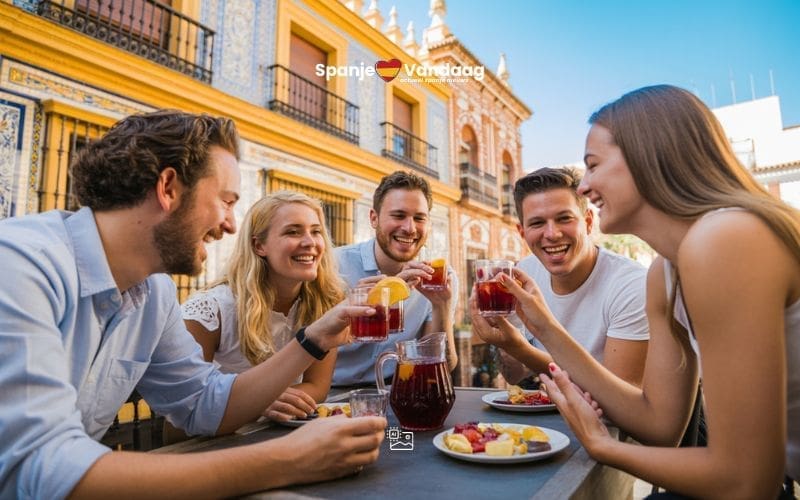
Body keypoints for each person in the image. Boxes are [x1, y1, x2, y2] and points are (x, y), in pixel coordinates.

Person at [0, 110, 385, 499]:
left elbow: (206, 404)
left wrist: (313, 339)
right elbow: (36, 468)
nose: (232, 225)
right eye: (226, 201)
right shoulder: (20, 264)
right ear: (168, 188)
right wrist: (287, 460)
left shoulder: (154, 294)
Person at [494, 85, 799, 498]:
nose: (585, 186)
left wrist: (603, 447)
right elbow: (660, 427)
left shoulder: (726, 238)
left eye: (594, 165)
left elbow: (746, 481)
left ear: (647, 156)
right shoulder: (666, 273)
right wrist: (543, 327)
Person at [473, 167, 649, 387]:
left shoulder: (630, 285)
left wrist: (522, 348)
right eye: (537, 223)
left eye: (564, 218)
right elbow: (514, 376)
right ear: (522, 232)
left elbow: (623, 401)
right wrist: (505, 334)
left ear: (587, 222)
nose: (552, 234)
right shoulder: (523, 273)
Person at [182, 191, 345, 421]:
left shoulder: (324, 303)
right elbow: (177, 422)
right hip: (214, 448)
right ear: (259, 246)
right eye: (293, 232)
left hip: (283, 439)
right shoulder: (210, 310)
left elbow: (317, 387)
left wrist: (266, 401)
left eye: (316, 231)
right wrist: (254, 402)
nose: (310, 242)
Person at [333, 171, 458, 385]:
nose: (409, 228)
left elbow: (442, 366)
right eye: (398, 216)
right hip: (331, 392)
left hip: (397, 392)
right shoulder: (335, 265)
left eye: (419, 218)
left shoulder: (439, 278)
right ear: (374, 218)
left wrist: (442, 306)